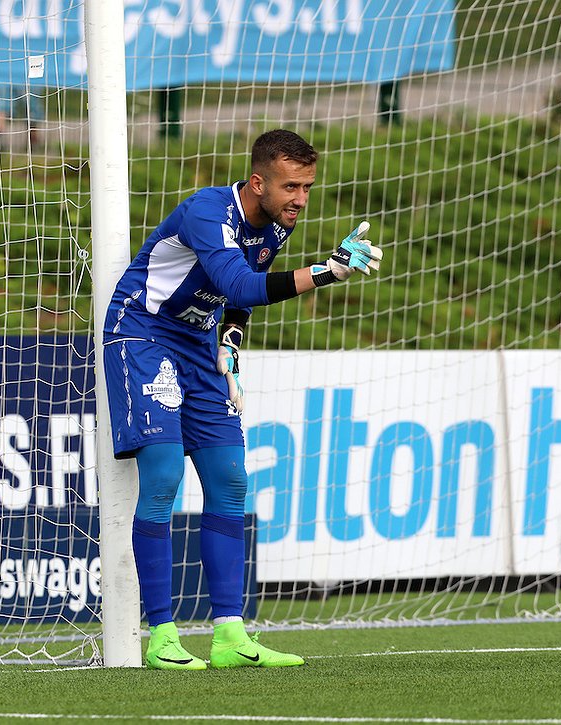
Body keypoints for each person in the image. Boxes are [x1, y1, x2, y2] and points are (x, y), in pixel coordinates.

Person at [101, 129, 383, 669]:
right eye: (291, 187)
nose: (301, 198)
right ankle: (161, 636)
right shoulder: (208, 211)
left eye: (306, 187)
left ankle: (230, 634)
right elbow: (241, 285)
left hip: (199, 339)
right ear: (257, 183)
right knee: (162, 476)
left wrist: (231, 342)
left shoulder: (274, 224)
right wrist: (326, 272)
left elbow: (240, 299)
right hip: (142, 331)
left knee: (230, 477)